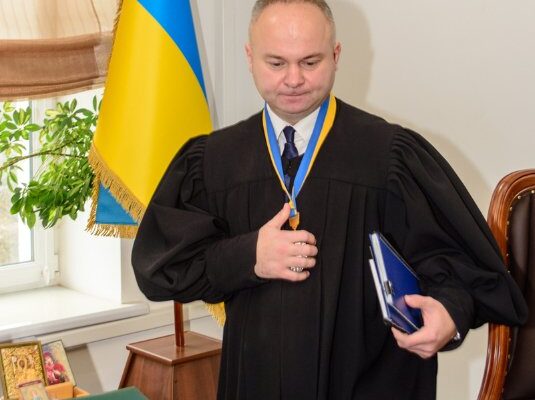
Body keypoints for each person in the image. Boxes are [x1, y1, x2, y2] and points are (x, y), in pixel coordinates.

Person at [131, 1, 527, 399]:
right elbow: (162, 269)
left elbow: (459, 264)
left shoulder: (390, 156)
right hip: (255, 383)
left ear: (336, 56)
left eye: (310, 61)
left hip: (371, 384)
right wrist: (248, 256)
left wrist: (449, 312)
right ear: (249, 57)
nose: (293, 79)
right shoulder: (214, 161)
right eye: (276, 63)